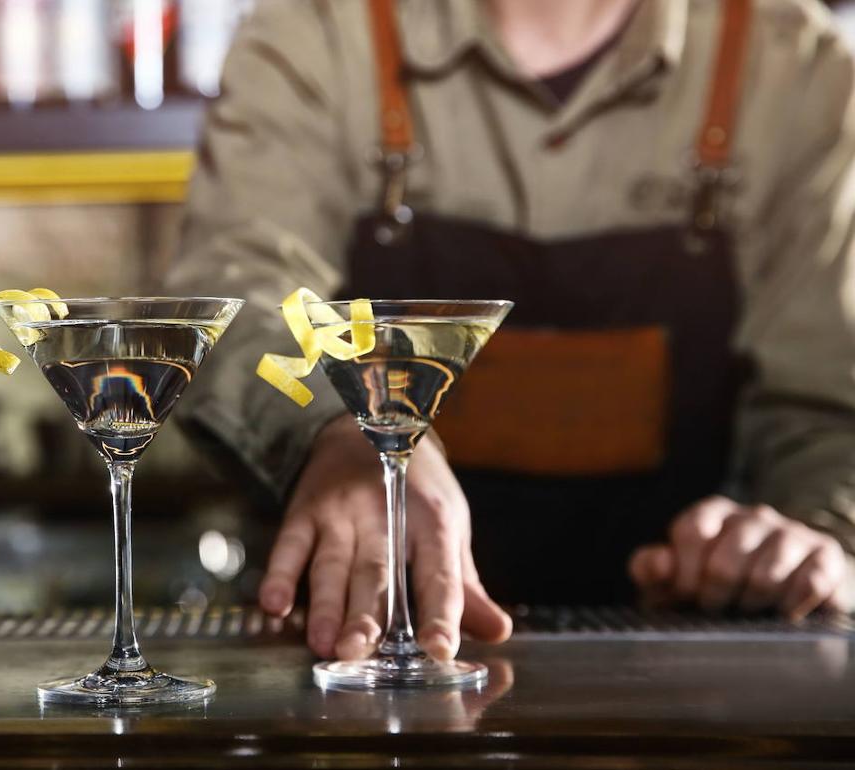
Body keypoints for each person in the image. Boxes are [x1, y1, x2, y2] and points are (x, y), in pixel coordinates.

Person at [165, 0, 855, 663]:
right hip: (358, 651)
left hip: (694, 670)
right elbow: (245, 305)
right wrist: (337, 429)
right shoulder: (314, 33)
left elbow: (826, 406)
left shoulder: (796, 62)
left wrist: (812, 538)